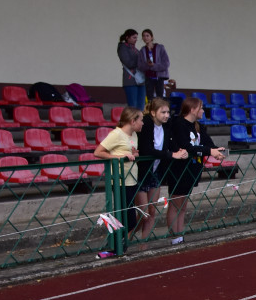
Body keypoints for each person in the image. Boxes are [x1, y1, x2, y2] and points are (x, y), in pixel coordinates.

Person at [168, 97, 225, 244]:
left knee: (183, 202)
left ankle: (180, 233)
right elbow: (186, 146)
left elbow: (208, 143)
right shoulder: (179, 124)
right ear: (192, 109)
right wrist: (210, 151)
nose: (203, 111)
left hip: (193, 168)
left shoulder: (198, 126)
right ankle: (174, 234)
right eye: (200, 108)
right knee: (176, 201)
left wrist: (216, 150)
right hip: (179, 168)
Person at [134, 98, 188, 240]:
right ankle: (129, 236)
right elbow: (147, 149)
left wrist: (180, 151)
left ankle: (143, 243)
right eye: (162, 112)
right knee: (143, 212)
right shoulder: (146, 125)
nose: (166, 115)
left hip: (156, 172)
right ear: (152, 112)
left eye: (168, 112)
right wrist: (171, 154)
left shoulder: (166, 126)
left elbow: (170, 144)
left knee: (152, 210)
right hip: (141, 172)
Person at [94, 107, 144, 242]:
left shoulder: (134, 135)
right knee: (126, 216)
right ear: (133, 121)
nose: (143, 123)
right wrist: (120, 156)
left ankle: (122, 244)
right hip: (120, 180)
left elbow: (130, 151)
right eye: (141, 120)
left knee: (130, 216)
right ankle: (119, 243)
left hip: (132, 179)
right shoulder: (116, 134)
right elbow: (98, 152)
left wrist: (134, 154)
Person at [117, 29, 146, 109]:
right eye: (134, 37)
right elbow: (129, 63)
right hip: (130, 80)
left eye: (136, 38)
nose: (136, 40)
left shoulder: (136, 50)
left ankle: (139, 121)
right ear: (127, 37)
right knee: (133, 106)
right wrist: (140, 61)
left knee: (141, 106)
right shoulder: (123, 48)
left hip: (141, 81)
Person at [140, 29, 171, 100]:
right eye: (144, 36)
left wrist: (154, 66)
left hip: (159, 77)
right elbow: (140, 65)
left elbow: (166, 63)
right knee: (150, 98)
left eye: (147, 36)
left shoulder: (160, 48)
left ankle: (159, 111)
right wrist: (148, 65)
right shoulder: (142, 50)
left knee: (160, 98)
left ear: (152, 37)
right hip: (148, 77)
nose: (145, 38)